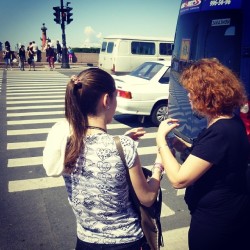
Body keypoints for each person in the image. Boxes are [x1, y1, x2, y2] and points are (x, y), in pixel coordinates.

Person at [43, 68, 163, 250]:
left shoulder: (66, 143)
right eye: (116, 97)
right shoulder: (124, 147)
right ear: (107, 100)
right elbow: (147, 198)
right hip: (126, 242)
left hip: (85, 242)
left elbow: (95, 153)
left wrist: (123, 141)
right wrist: (158, 166)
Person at [156, 58, 250, 250]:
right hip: (230, 216)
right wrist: (188, 149)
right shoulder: (230, 122)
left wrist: (160, 141)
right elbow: (217, 159)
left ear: (207, 94)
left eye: (192, 92)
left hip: (217, 225)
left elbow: (179, 179)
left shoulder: (220, 131)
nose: (188, 96)